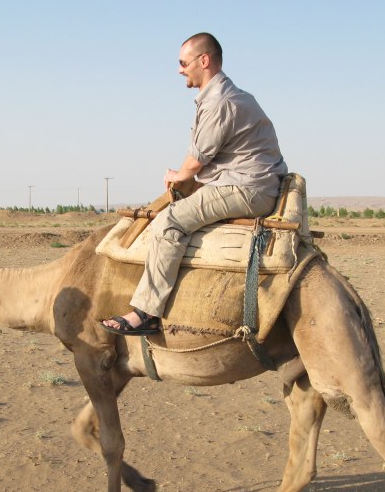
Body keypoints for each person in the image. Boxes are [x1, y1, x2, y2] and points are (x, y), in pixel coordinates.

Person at [101, 32, 288, 336]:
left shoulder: (220, 101)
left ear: (204, 61)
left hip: (246, 188)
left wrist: (178, 175)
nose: (179, 69)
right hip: (253, 182)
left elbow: (197, 160)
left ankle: (146, 312)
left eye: (183, 62)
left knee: (169, 222)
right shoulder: (230, 95)